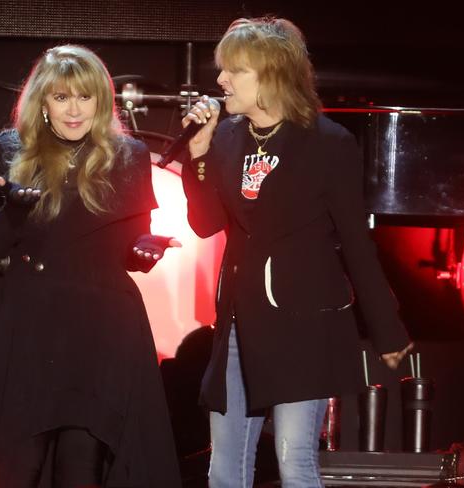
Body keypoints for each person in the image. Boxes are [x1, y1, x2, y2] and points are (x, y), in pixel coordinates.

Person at [180, 17, 413, 488]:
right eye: (222, 69)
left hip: (302, 321)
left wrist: (388, 330)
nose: (221, 79)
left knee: (294, 461)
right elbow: (204, 224)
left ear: (272, 74)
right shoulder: (226, 137)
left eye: (234, 70)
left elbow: (355, 241)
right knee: (224, 469)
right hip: (238, 323)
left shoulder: (327, 143)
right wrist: (198, 157)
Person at [0, 44, 182, 488]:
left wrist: (146, 249)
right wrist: (15, 210)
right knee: (15, 468)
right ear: (43, 102)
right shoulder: (10, 149)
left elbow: (130, 249)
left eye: (84, 97)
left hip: (104, 329)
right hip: (33, 325)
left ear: (101, 101)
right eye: (62, 98)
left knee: (82, 468)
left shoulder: (129, 154)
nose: (74, 110)